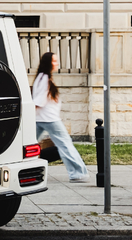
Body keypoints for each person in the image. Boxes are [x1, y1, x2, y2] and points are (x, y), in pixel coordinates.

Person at [32, 52, 90, 183]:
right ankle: (78, 174)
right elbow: (38, 101)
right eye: (54, 61)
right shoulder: (44, 79)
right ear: (48, 63)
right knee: (65, 145)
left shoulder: (42, 77)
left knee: (28, 146)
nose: (57, 63)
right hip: (49, 119)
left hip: (41, 118)